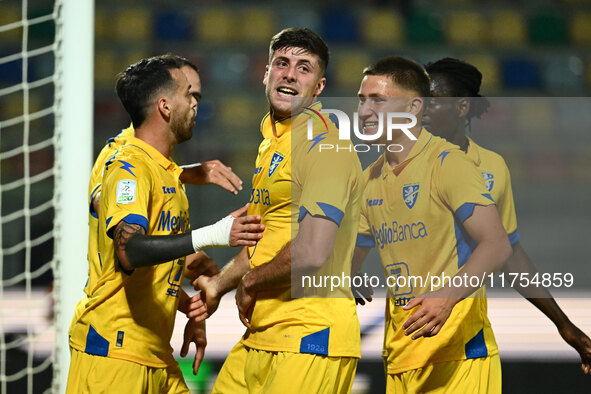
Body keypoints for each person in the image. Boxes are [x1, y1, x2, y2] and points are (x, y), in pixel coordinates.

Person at [66, 55, 264, 393]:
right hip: (114, 351)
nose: (195, 104)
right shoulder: (126, 166)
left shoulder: (168, 172)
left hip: (153, 351)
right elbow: (129, 251)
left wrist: (193, 307)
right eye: (189, 95)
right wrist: (215, 234)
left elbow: (165, 259)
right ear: (165, 106)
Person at [190, 28, 364, 393]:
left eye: (304, 68)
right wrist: (218, 285)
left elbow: (313, 251)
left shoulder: (326, 147)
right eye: (282, 63)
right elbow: (263, 238)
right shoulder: (273, 143)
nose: (289, 73)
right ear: (266, 74)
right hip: (263, 332)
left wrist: (250, 284)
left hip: (310, 336)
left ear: (318, 87)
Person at [353, 56, 512, 393]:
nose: (365, 111)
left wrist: (446, 298)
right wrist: (350, 271)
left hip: (458, 357)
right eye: (362, 100)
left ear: (413, 107)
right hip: (401, 358)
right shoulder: (370, 179)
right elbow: (355, 249)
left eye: (378, 101)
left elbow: (497, 245)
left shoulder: (448, 164)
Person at [423, 57, 591, 374]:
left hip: (469, 338)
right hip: (409, 330)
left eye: (433, 101)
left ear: (461, 107)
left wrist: (563, 324)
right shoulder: (395, 164)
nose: (422, 109)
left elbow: (510, 253)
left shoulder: (492, 167)